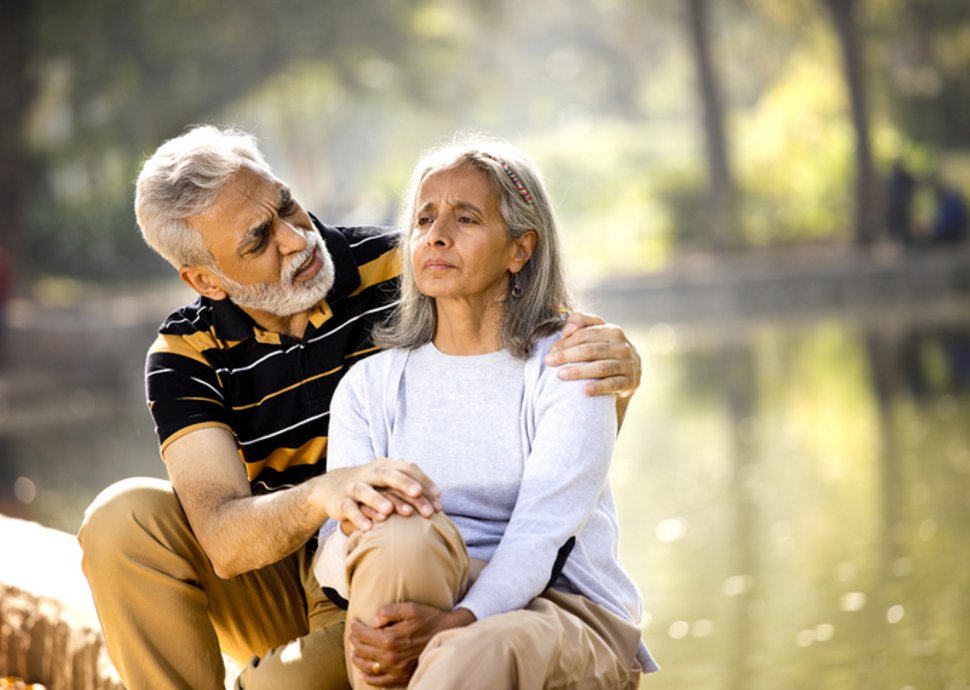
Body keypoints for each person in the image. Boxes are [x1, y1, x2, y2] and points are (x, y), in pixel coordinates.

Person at [76, 125, 644, 690]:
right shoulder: (185, 352)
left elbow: (543, 364)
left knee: (392, 558)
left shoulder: (412, 265)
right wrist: (325, 494)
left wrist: (619, 374)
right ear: (205, 279)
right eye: (258, 239)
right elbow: (224, 540)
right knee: (122, 520)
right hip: (299, 559)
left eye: (286, 205)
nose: (296, 238)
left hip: (411, 564)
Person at [316, 135, 659, 688]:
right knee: (392, 533)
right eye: (425, 219)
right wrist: (370, 592)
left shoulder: (571, 363)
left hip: (564, 607)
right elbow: (335, 539)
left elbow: (541, 535)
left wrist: (459, 621)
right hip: (429, 597)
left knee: (465, 656)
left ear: (520, 248)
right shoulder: (369, 386)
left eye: (466, 219)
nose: (437, 235)